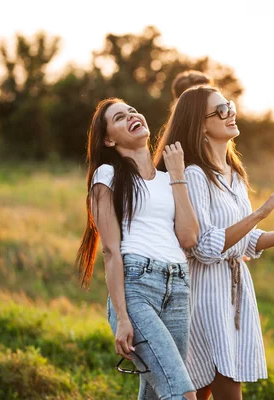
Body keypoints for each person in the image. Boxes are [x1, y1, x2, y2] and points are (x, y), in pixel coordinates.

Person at [154, 86, 274, 400]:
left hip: (234, 292)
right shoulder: (195, 175)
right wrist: (259, 213)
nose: (230, 113)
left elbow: (243, 241)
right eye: (220, 110)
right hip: (204, 296)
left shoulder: (235, 175)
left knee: (201, 392)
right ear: (201, 125)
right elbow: (203, 247)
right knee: (222, 388)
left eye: (229, 106)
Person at [75, 98, 199, 400]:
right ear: (108, 138)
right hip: (137, 289)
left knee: (157, 394)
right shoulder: (108, 175)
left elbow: (189, 238)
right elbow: (110, 251)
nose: (132, 116)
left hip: (179, 289)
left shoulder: (169, 178)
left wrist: (178, 174)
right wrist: (122, 317)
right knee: (182, 393)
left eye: (132, 111)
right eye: (119, 117)